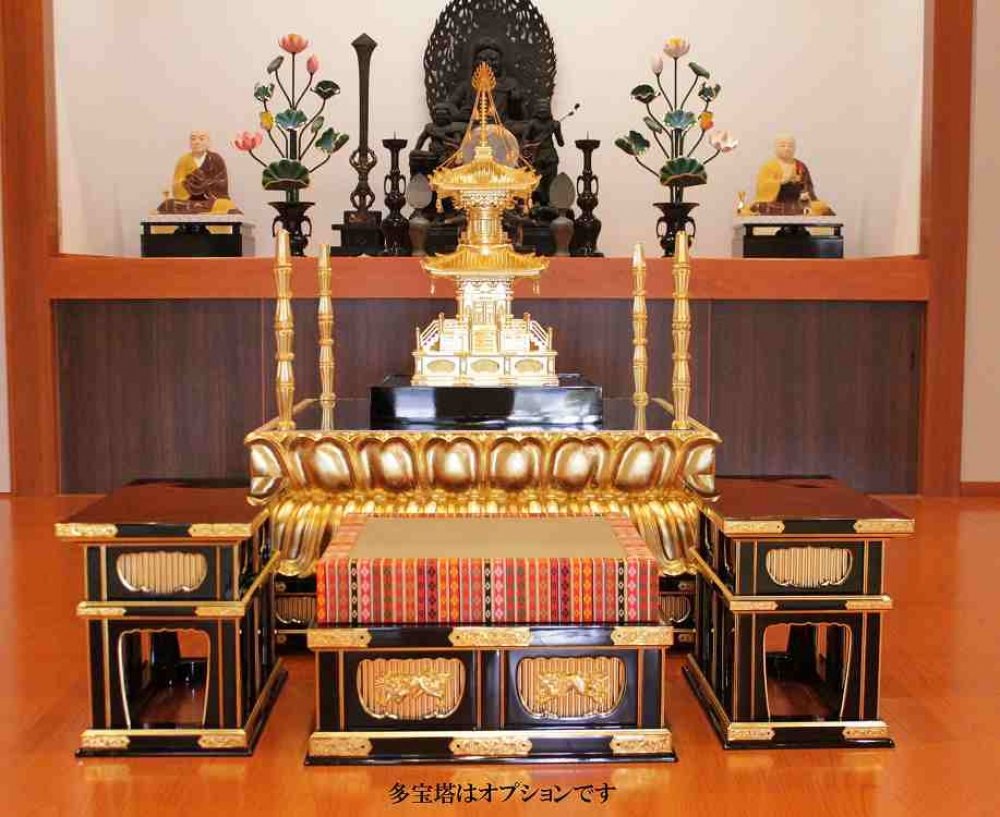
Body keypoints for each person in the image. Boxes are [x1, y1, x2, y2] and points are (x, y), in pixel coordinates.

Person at [157, 130, 240, 214]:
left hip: (210, 200)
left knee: (225, 204)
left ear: (208, 143)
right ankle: (202, 209)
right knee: (168, 204)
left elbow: (221, 183)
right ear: (189, 143)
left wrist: (203, 184)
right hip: (190, 201)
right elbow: (177, 186)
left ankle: (201, 209)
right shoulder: (183, 160)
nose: (197, 142)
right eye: (193, 139)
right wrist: (189, 183)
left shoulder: (215, 158)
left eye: (201, 139)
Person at [749, 134, 834, 216]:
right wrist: (781, 182)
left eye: (790, 146)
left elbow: (808, 187)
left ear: (795, 148)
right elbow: (762, 187)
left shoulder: (800, 166)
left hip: (797, 202)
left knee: (822, 207)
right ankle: (802, 211)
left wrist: (805, 195)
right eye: (782, 145)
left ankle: (803, 210)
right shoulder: (769, 166)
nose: (787, 149)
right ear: (775, 148)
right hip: (776, 203)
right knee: (760, 206)